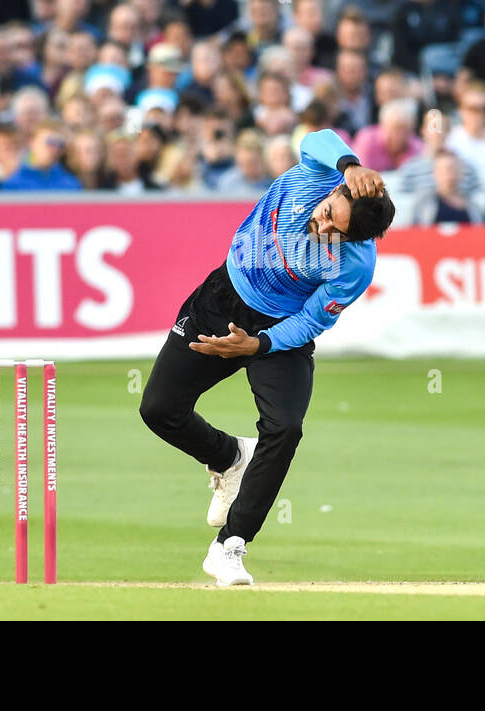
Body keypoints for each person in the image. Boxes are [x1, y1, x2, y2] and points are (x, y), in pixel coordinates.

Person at [139, 129, 394, 587]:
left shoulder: (355, 264)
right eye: (333, 216)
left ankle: (230, 547)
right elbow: (317, 137)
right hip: (221, 299)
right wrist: (351, 163)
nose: (328, 229)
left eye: (342, 232)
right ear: (338, 188)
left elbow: (312, 321)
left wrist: (258, 345)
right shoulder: (319, 174)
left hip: (280, 331)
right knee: (158, 409)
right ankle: (229, 456)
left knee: (285, 428)